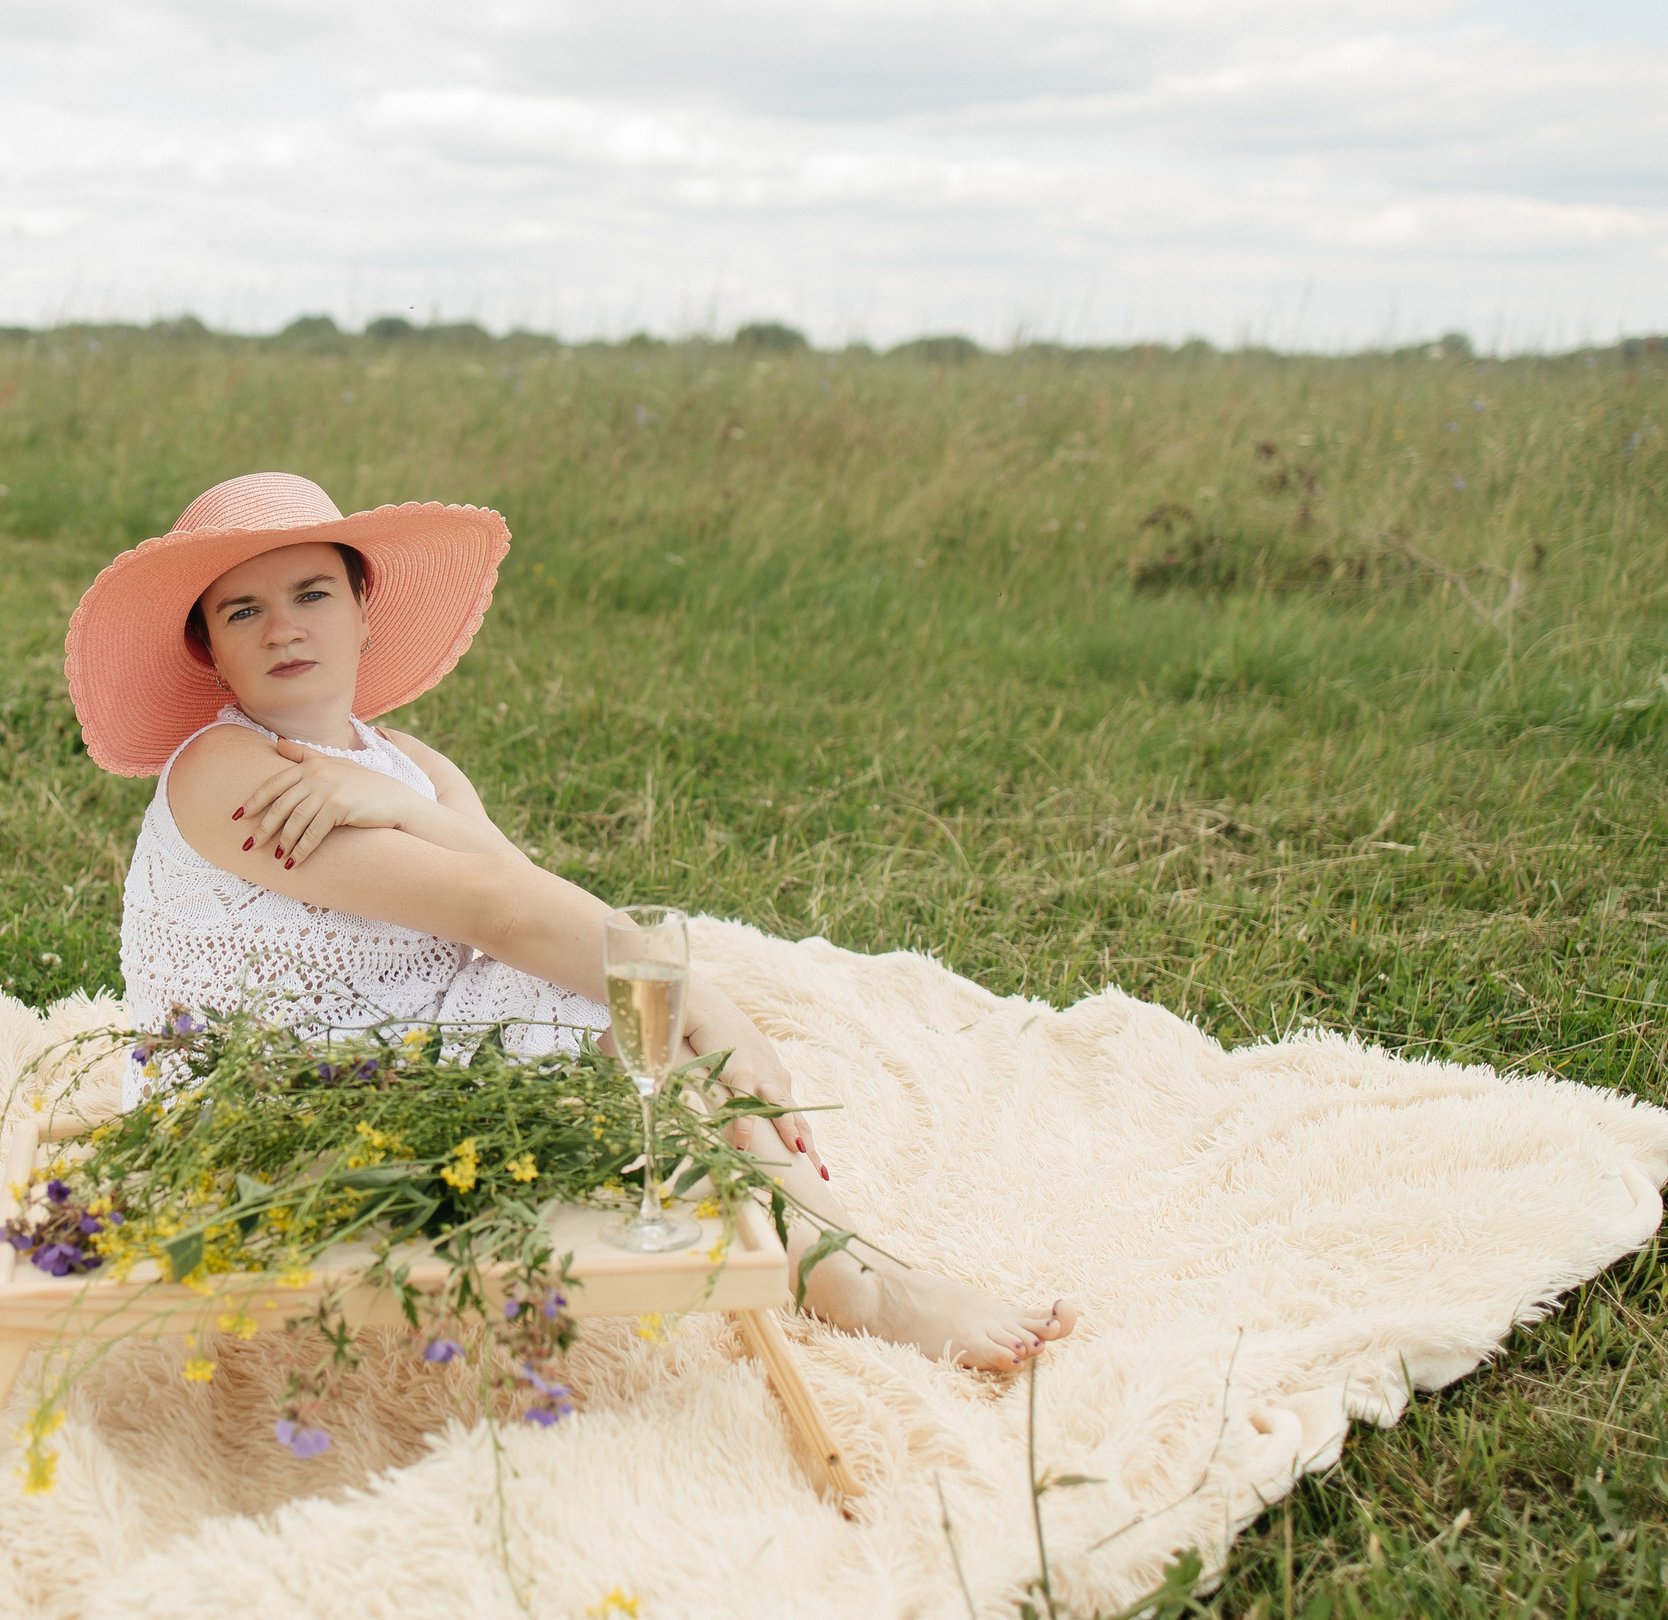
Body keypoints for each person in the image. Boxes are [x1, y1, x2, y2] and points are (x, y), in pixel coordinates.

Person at [66, 472, 1077, 1371]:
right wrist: (712, 1006)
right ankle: (851, 1281)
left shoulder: (409, 765)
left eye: (311, 593)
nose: (283, 626)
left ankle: (834, 1258)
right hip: (283, 1097)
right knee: (649, 1012)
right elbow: (496, 908)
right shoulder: (225, 770)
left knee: (630, 1001)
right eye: (243, 610)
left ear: (362, 612)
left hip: (401, 1036)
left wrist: (412, 809)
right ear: (212, 651)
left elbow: (522, 884)